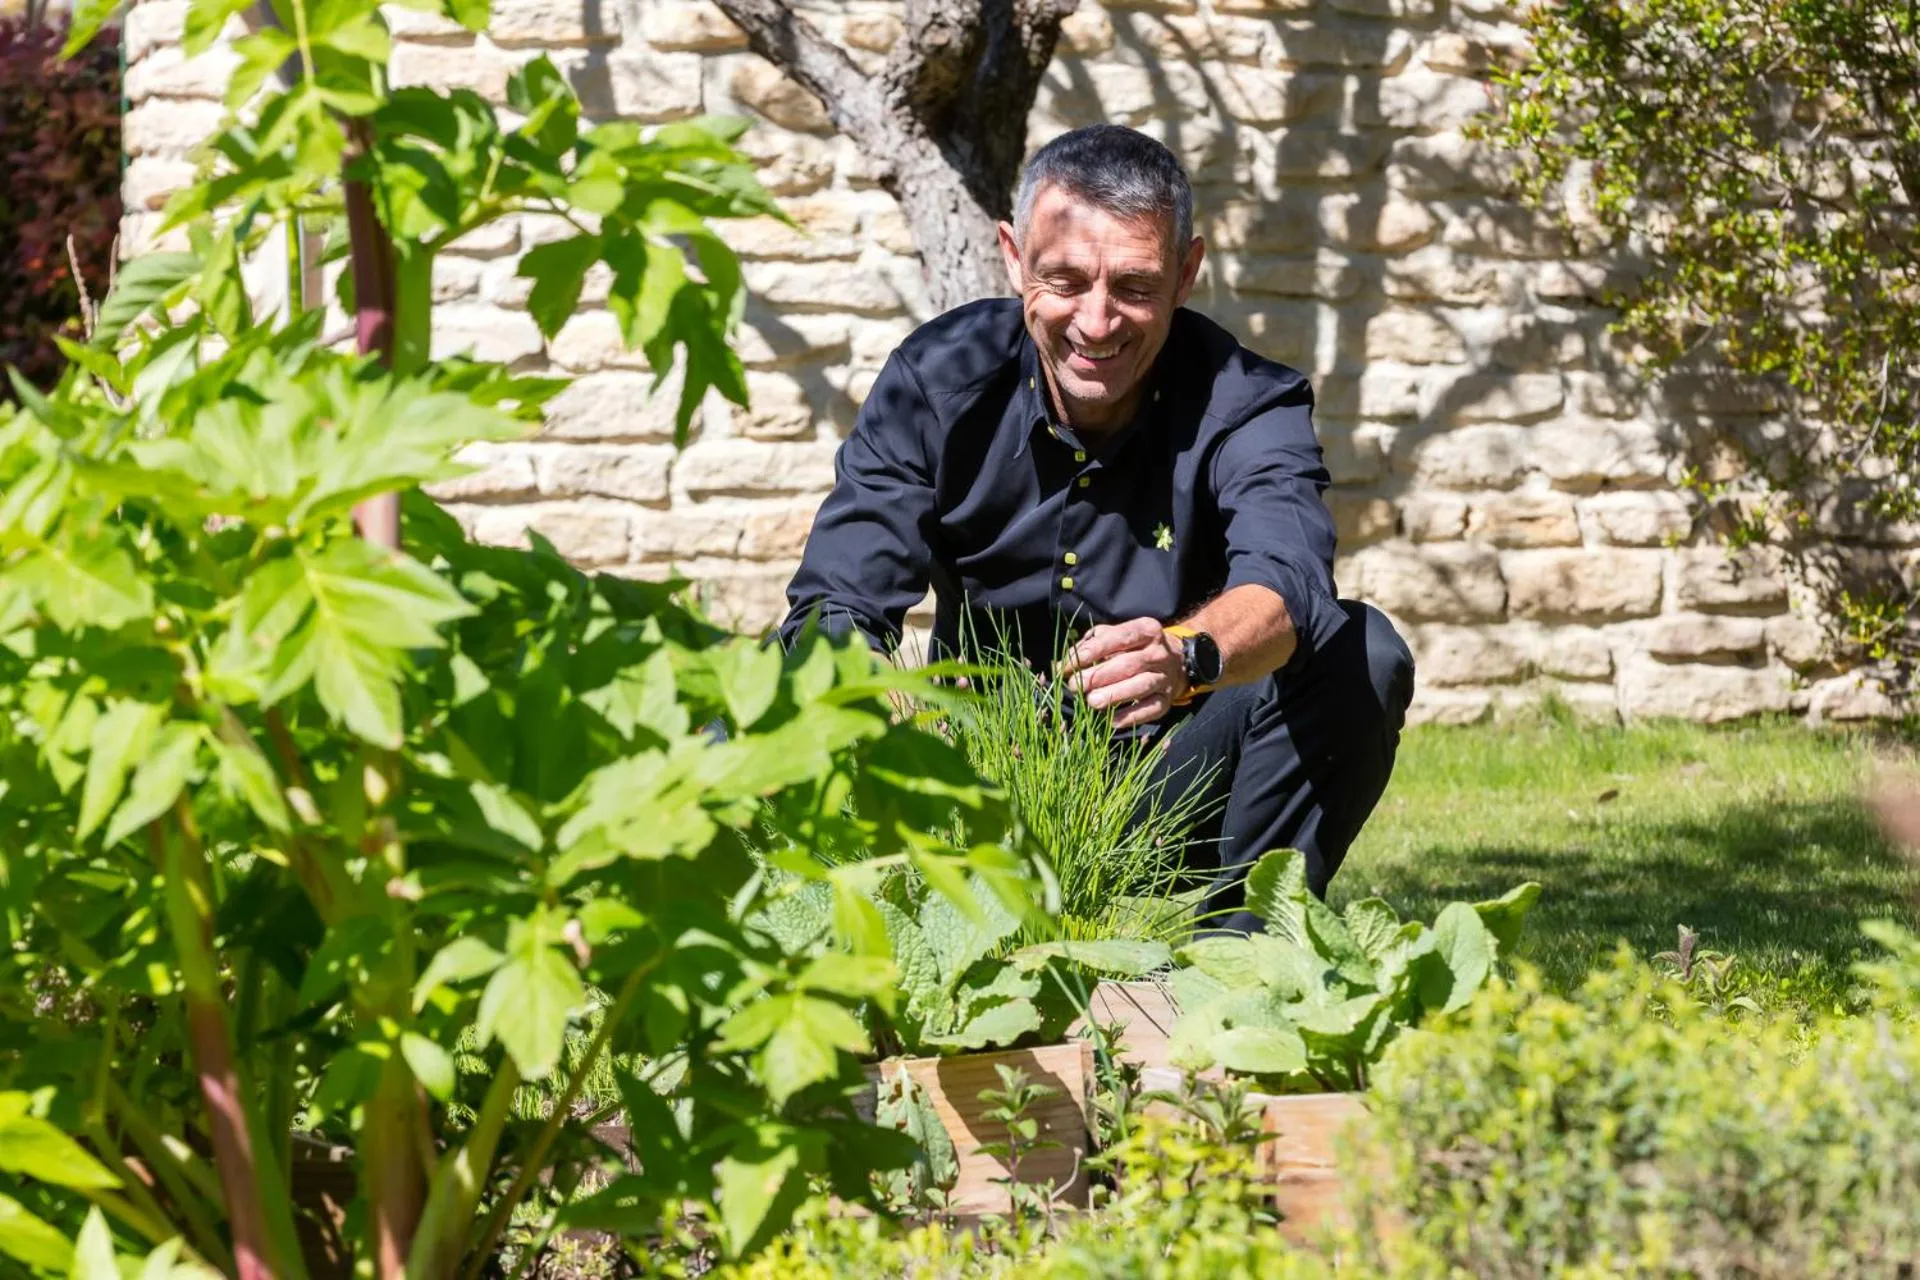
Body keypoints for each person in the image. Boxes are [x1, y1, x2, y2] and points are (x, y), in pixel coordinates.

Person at [777, 124, 1415, 932]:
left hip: (1165, 786)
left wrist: (1187, 655)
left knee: (1364, 650)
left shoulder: (1249, 402)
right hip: (966, 796)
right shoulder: (935, 382)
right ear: (1014, 259)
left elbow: (1289, 589)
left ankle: (1242, 957)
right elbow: (833, 606)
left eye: (1136, 287)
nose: (1098, 321)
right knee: (761, 697)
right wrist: (896, 719)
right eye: (1066, 280)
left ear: (1188, 271)